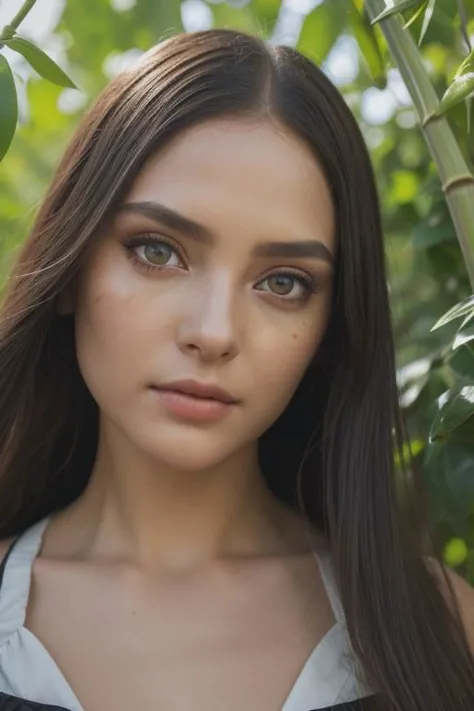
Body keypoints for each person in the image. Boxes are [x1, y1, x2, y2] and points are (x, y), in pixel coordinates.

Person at [0, 28, 472, 711]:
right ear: (72, 267)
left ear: (331, 326)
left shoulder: (440, 629)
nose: (214, 332)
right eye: (158, 250)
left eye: (283, 282)